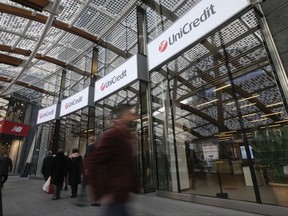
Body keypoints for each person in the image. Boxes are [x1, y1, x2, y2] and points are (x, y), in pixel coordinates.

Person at [87, 104, 138, 216]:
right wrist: (101, 192)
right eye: (130, 114)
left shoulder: (125, 135)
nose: (133, 117)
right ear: (123, 115)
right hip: (114, 195)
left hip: (121, 194)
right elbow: (94, 162)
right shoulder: (114, 134)